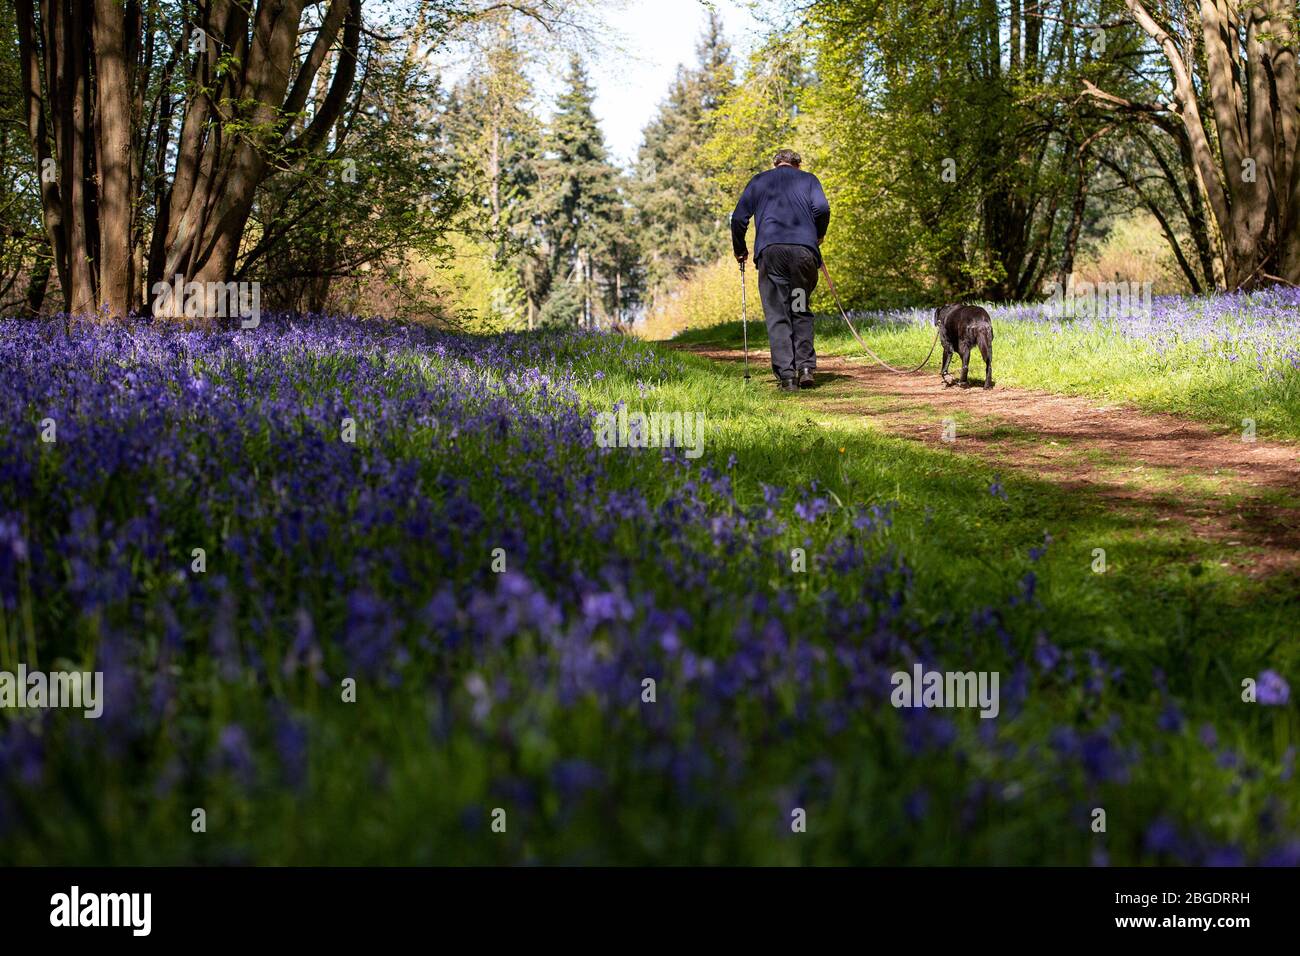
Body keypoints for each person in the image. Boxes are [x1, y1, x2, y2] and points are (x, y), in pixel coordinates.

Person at [730, 148, 831, 391]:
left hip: (772, 254)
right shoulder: (808, 179)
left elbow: (738, 219)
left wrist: (740, 248)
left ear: (776, 164)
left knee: (778, 314)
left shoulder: (759, 181)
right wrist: (818, 235)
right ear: (797, 164)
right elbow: (823, 209)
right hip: (802, 255)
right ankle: (806, 368)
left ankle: (787, 376)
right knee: (799, 308)